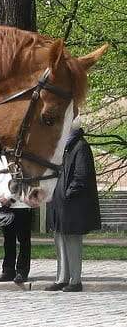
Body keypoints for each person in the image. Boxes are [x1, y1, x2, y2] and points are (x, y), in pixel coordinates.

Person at [46, 118, 101, 292]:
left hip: (72, 204)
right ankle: (62, 278)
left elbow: (81, 176)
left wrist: (67, 193)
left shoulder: (80, 147)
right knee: (59, 238)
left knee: (72, 241)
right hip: (59, 202)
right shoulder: (65, 146)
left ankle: (75, 280)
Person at [0, 153, 33, 284]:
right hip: (4, 204)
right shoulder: (0, 157)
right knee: (8, 240)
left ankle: (22, 271)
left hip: (21, 204)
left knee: (23, 240)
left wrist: (10, 197)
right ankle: (8, 270)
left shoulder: (23, 156)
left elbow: (24, 180)